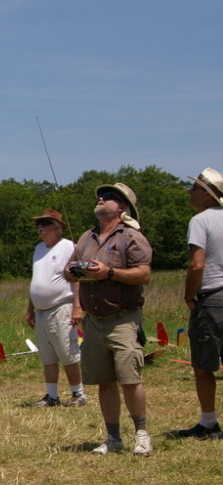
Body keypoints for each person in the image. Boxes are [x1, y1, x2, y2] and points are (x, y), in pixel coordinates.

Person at [63, 183, 153, 456]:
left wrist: (109, 273)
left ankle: (141, 434)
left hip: (123, 319)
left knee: (130, 379)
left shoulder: (131, 237)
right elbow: (70, 273)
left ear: (122, 206)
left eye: (109, 197)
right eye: (101, 196)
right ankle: (113, 438)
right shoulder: (86, 237)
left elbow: (144, 275)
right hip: (93, 321)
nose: (101, 199)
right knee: (104, 381)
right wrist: (73, 272)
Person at [176, 168, 223, 439]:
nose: (189, 192)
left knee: (204, 365)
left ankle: (208, 423)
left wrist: (189, 297)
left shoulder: (200, 220)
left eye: (194, 189)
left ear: (207, 195)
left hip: (213, 299)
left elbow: (197, 265)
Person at [26, 209, 86, 407]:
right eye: (38, 224)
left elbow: (77, 278)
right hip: (41, 311)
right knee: (47, 355)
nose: (40, 227)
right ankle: (52, 396)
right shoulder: (39, 249)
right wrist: (30, 308)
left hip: (61, 308)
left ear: (57, 227)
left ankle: (78, 394)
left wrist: (77, 306)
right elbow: (36, 281)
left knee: (67, 353)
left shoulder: (69, 247)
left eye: (44, 223)